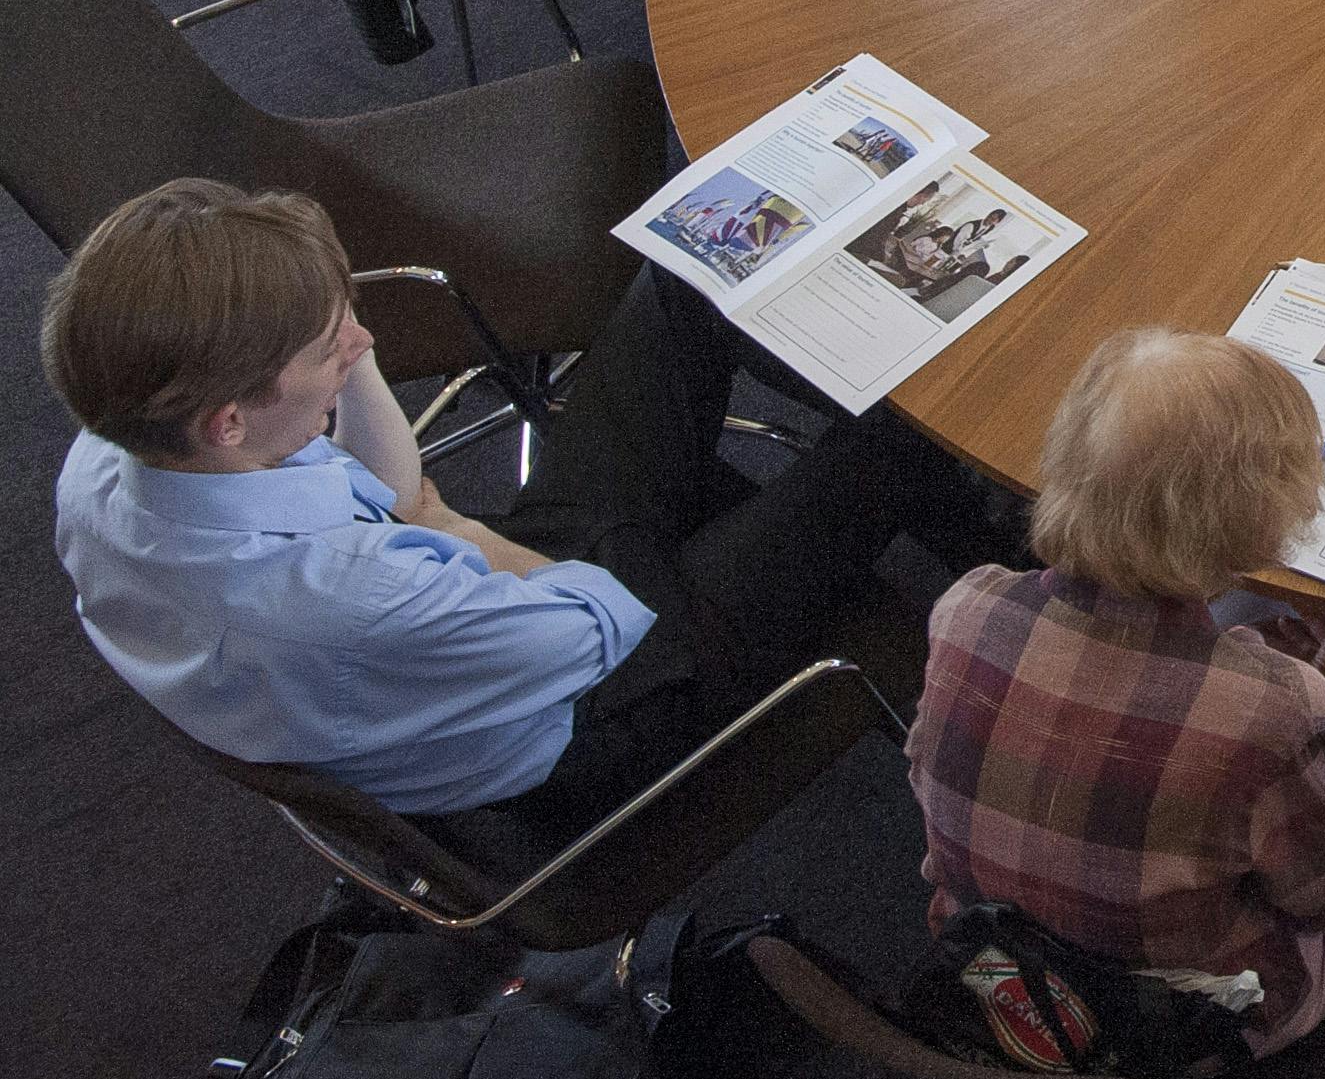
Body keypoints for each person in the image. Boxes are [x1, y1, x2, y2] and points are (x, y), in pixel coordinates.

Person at [47, 181, 981, 837]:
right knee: (896, 438)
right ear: (229, 420)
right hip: (600, 705)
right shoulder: (342, 598)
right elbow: (608, 619)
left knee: (683, 281)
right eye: (328, 343)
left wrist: (336, 347)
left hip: (470, 620)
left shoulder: (107, 459)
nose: (366, 339)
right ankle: (1023, 546)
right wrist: (460, 531)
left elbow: (399, 496)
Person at [908, 330, 1325, 1059]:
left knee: (1241, 640)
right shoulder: (1277, 711)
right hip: (1181, 1025)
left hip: (996, 965)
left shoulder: (965, 605)